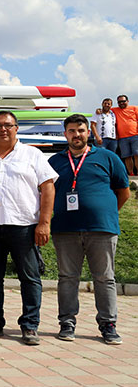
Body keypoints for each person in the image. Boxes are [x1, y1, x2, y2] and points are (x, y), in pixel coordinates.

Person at [0, 111, 58, 345]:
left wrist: (44, 222)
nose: (2, 129)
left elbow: (48, 188)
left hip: (23, 226)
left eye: (7, 125)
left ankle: (30, 325)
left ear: (16, 128)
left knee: (30, 277)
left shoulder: (32, 154)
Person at [48, 114, 130, 345]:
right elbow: (45, 193)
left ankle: (108, 324)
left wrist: (106, 212)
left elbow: (123, 191)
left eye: (81, 130)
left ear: (88, 133)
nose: (77, 135)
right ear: (65, 134)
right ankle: (67, 322)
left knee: (104, 278)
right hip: (65, 229)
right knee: (67, 278)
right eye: (72, 131)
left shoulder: (108, 157)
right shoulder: (54, 162)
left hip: (102, 229)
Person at [113, 95, 138, 175]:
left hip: (135, 135)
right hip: (122, 137)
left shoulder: (134, 108)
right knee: (127, 156)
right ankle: (131, 173)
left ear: (127, 101)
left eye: (123, 101)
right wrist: (98, 110)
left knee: (137, 154)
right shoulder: (114, 110)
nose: (121, 103)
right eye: (119, 102)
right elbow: (105, 109)